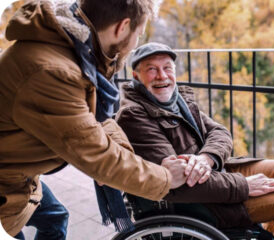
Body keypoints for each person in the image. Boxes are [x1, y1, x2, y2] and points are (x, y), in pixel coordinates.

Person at [0, 1, 187, 239]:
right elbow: (96, 154)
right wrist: (165, 179)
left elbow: (97, 117)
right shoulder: (52, 71)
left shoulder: (74, 50)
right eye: (138, 34)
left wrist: (129, 155)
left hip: (18, 170)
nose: (135, 43)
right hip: (7, 182)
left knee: (56, 218)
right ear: (122, 27)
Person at [116, 42, 274, 240]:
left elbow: (219, 131)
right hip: (202, 204)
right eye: (151, 69)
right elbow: (174, 186)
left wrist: (206, 158)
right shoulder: (134, 115)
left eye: (167, 68)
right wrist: (243, 186)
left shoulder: (176, 100)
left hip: (213, 176)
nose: (162, 76)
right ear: (136, 76)